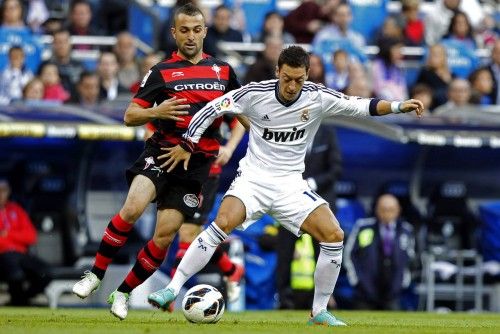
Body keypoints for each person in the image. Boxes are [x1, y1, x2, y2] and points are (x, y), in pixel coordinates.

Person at [147, 45, 424, 326]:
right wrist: (187, 142)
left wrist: (399, 106)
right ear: (278, 71)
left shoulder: (317, 97)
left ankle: (319, 312)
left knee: (334, 235)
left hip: (290, 184)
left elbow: (361, 105)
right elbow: (212, 108)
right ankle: (172, 289)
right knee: (221, 222)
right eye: (287, 78)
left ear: (307, 75)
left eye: (299, 80)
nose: (292, 86)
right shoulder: (255, 93)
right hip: (253, 180)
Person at [72, 3, 242, 320]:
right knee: (132, 208)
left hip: (197, 168)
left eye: (196, 29)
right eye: (184, 30)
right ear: (174, 32)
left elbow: (245, 114)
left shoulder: (223, 72)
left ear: (205, 31)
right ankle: (94, 275)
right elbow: (129, 115)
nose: (190, 36)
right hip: (161, 154)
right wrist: (156, 112)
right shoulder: (161, 72)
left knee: (164, 237)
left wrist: (229, 146)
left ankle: (121, 293)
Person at [344, 194, 415, 310]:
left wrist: (403, 282)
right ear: (376, 209)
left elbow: (411, 259)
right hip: (365, 291)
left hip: (393, 291)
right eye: (383, 209)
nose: (387, 214)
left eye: (391, 210)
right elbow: (349, 255)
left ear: (398, 210)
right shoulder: (363, 227)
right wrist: (356, 280)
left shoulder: (406, 230)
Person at [0, 178, 51, 306]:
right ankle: (19, 302)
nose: (1, 194)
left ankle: (22, 299)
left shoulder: (16, 210)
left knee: (45, 272)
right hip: (2, 255)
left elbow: (31, 236)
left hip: (20, 254)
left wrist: (8, 234)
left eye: (4, 190)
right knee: (16, 274)